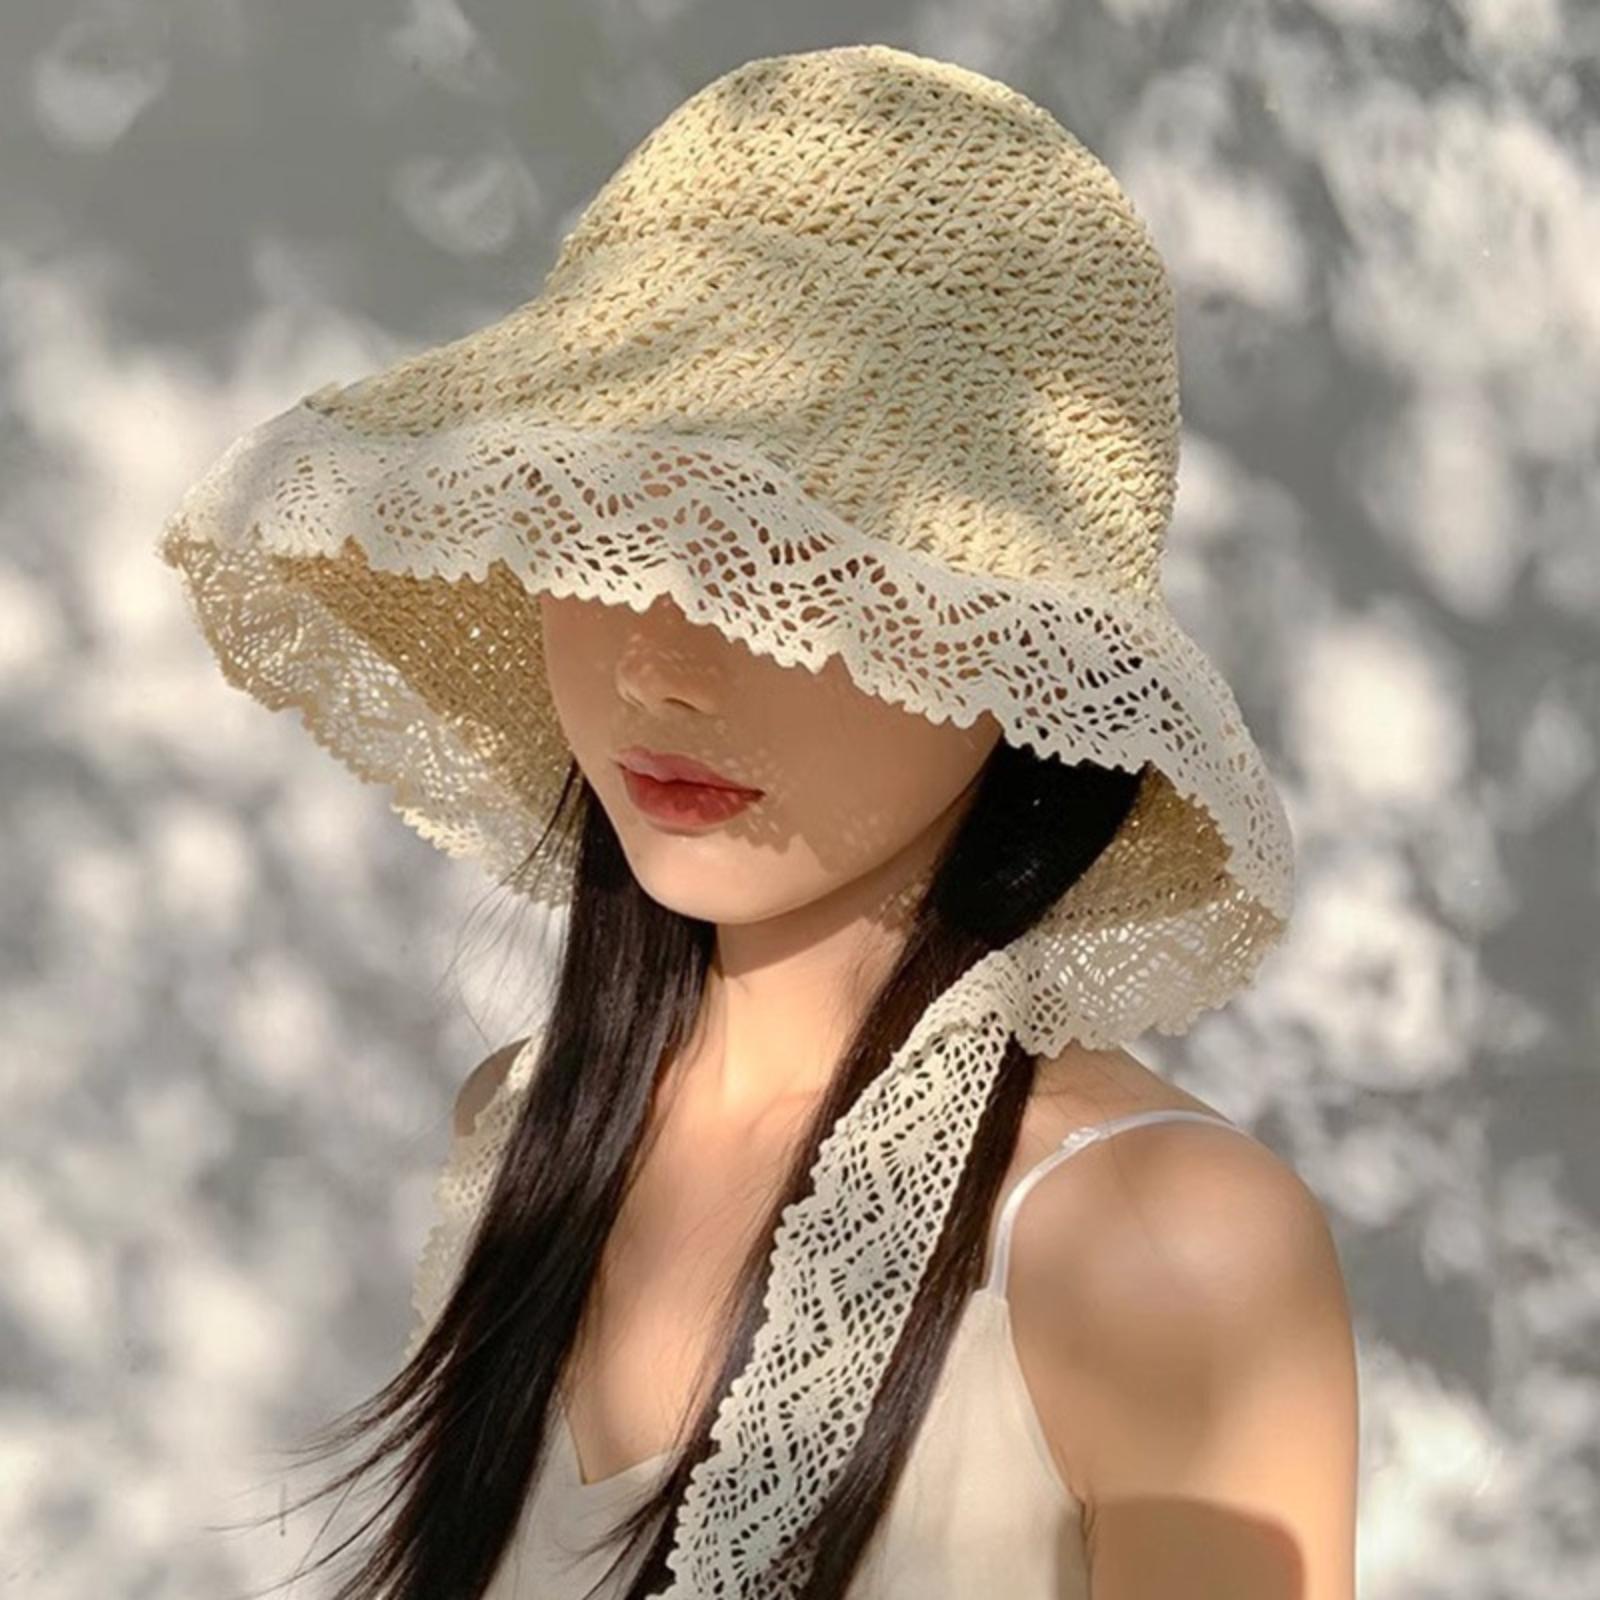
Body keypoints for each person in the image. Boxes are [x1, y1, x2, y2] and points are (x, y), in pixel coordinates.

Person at [157, 42, 1357, 1600]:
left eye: (795, 561)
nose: (663, 662)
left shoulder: (1166, 1248)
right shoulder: (519, 1133)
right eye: (608, 533)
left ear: (1015, 638)